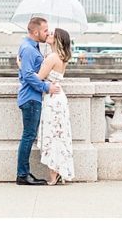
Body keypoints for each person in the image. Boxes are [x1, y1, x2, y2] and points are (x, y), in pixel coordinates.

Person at [16, 17, 60, 185]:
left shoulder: (31, 47)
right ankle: (22, 175)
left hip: (31, 98)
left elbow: (26, 72)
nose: (47, 32)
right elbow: (27, 76)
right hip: (31, 99)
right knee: (28, 136)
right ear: (35, 32)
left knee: (28, 135)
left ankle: (24, 173)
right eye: (45, 30)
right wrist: (46, 87)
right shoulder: (28, 49)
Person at [36, 28, 75, 185]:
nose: (48, 35)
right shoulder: (62, 57)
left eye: (52, 34)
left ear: (57, 39)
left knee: (52, 135)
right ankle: (57, 170)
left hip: (52, 100)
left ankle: (54, 173)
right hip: (59, 98)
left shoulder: (52, 57)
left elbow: (38, 78)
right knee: (59, 135)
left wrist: (20, 65)